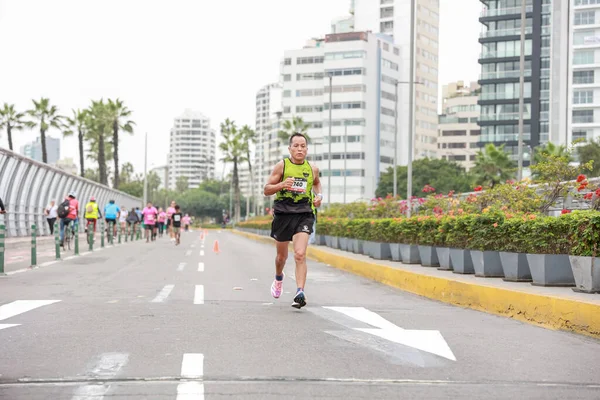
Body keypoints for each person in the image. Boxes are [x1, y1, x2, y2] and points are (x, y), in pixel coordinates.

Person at [263, 133, 323, 309]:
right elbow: (267, 189)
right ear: (290, 149)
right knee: (282, 257)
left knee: (300, 254)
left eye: (303, 146)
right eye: (296, 146)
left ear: (306, 149)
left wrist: (319, 196)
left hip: (304, 213)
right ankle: (279, 277)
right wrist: (281, 185)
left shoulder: (312, 168)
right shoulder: (282, 166)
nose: (299, 149)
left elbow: (317, 184)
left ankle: (300, 292)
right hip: (283, 213)